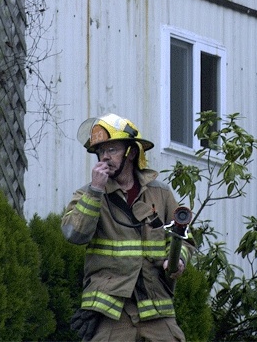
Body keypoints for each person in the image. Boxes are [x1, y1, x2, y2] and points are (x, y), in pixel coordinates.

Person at [62, 113, 193, 342]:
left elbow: (184, 236)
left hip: (155, 306)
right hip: (111, 309)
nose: (105, 157)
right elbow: (74, 234)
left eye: (112, 150)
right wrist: (95, 191)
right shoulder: (88, 193)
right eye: (101, 152)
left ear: (131, 153)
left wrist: (178, 260)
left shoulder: (159, 193)